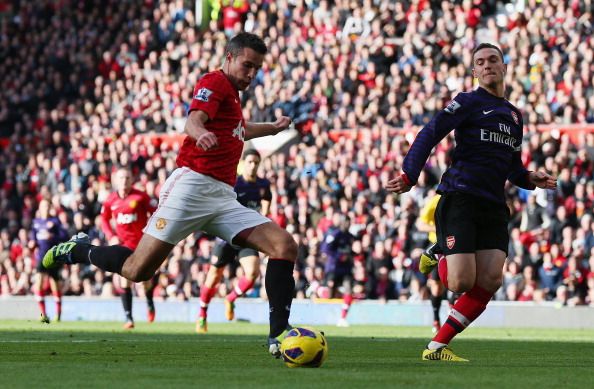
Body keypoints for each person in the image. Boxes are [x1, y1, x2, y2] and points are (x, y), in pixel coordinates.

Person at [43, 32, 297, 358]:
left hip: (222, 196)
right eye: (247, 65)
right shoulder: (215, 82)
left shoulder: (232, 96)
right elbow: (193, 120)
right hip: (191, 188)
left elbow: (240, 130)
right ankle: (78, 251)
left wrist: (272, 129)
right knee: (137, 271)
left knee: (284, 245)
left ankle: (279, 335)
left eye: (256, 69)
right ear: (230, 57)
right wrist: (200, 133)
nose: (251, 74)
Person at [387, 43, 557, 362]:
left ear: (504, 66)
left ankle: (437, 346)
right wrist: (409, 175)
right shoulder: (467, 101)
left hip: (493, 204)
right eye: (481, 62)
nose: (488, 65)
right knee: (460, 281)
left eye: (494, 60)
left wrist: (529, 177)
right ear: (474, 71)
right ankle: (439, 252)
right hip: (461, 196)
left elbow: (511, 165)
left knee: (490, 280)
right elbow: (429, 132)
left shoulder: (514, 115)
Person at [197, 149, 271, 333]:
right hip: (227, 236)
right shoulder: (234, 183)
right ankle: (202, 314)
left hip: (248, 237)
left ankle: (230, 298)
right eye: (250, 162)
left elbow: (267, 199)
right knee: (214, 277)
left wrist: (264, 217)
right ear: (244, 163)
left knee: (253, 272)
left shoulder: (263, 184)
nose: (253, 165)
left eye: (256, 162)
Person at [100, 167, 158, 329]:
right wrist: (110, 235)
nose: (124, 181)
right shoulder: (110, 200)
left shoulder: (140, 197)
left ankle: (149, 301)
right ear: (115, 180)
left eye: (127, 178)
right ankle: (129, 318)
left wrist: (150, 232)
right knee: (125, 280)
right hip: (122, 246)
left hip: (141, 246)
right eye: (121, 178)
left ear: (132, 179)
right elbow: (103, 219)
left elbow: (156, 212)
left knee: (144, 281)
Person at [416, 192, 459, 334]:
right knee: (436, 286)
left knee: (455, 279)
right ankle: (436, 319)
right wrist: (438, 229)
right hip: (436, 245)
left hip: (455, 243)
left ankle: (452, 306)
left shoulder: (461, 200)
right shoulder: (434, 201)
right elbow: (421, 224)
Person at [31, 199, 68, 323]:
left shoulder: (55, 221)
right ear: (40, 208)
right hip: (41, 257)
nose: (45, 208)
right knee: (39, 282)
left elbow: (64, 236)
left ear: (50, 208)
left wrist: (53, 236)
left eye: (47, 206)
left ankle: (58, 314)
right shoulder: (36, 222)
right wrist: (32, 243)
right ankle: (43, 314)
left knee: (54, 285)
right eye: (43, 206)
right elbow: (33, 237)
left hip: (53, 257)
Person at [320, 213, 354, 327]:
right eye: (346, 221)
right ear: (341, 222)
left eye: (349, 221)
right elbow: (325, 249)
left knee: (348, 288)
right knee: (330, 292)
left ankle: (343, 318)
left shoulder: (349, 236)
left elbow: (349, 251)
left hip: (345, 268)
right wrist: (340, 256)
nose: (348, 224)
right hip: (334, 267)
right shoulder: (335, 234)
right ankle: (317, 290)